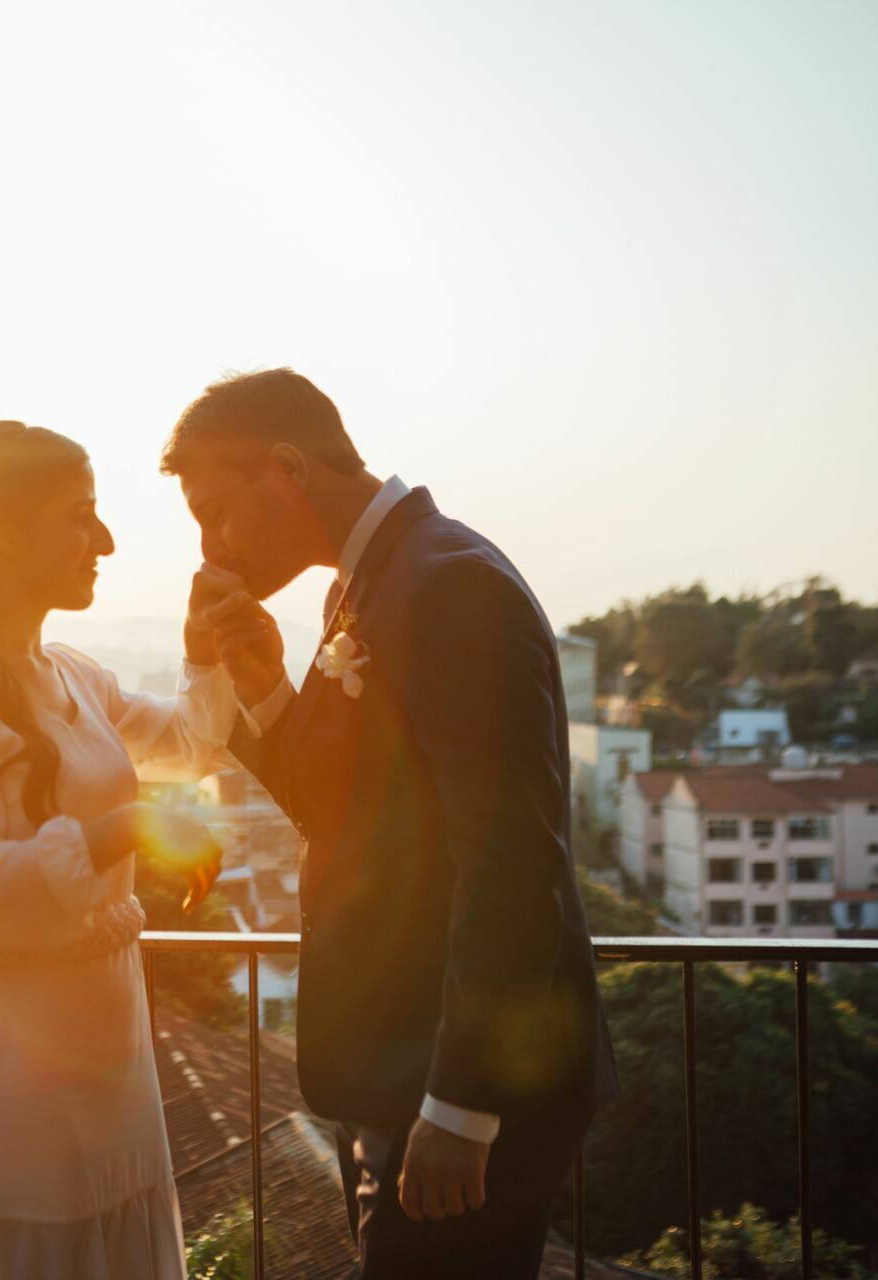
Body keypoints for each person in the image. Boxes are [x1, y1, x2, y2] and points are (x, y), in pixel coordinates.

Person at [162, 369, 619, 1277]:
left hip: (454, 1083)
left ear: (287, 468)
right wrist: (262, 685)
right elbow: (348, 814)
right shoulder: (370, 583)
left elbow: (511, 861)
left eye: (216, 512)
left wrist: (461, 1105)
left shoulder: (449, 584)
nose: (212, 545)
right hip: (398, 1069)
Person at [0, 419, 236, 1279]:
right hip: (21, 1074)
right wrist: (130, 828)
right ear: (3, 530)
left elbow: (188, 743)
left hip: (108, 1051)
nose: (104, 542)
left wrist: (204, 653)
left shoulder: (70, 673)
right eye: (81, 515)